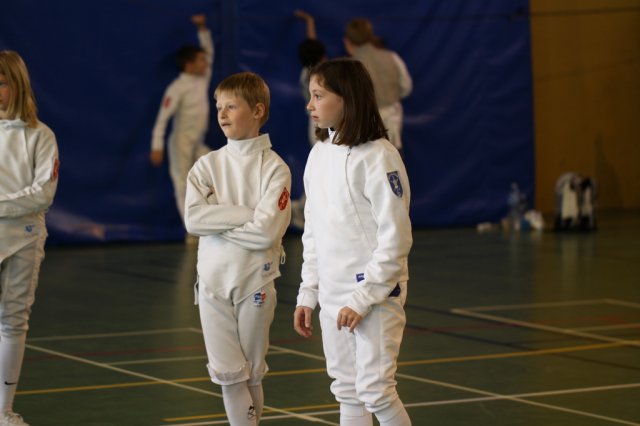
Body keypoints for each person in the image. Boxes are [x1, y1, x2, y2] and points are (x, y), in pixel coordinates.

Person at [294, 58, 412, 426]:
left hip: (375, 295)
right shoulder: (318, 154)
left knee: (376, 391)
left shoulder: (380, 156)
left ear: (346, 98)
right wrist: (308, 292)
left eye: (318, 96)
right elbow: (313, 231)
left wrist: (362, 298)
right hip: (332, 295)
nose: (310, 105)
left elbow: (396, 239)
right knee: (347, 390)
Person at [184, 72, 291, 426]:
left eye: (231, 106)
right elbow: (193, 220)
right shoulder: (206, 165)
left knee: (251, 374)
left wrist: (219, 222)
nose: (222, 113)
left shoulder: (275, 169)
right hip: (212, 284)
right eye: (218, 106)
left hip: (255, 282)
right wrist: (247, 214)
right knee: (228, 375)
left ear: (258, 111)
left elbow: (265, 234)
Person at [0, 50, 59, 426]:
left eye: (2, 83)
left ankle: (3, 410)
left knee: (12, 321)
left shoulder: (41, 136)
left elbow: (43, 194)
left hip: (23, 240)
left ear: (18, 85)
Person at [150, 14, 214, 225]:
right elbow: (162, 119)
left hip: (197, 142)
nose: (205, 63)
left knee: (213, 173)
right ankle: (191, 229)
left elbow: (209, 52)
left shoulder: (202, 79)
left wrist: (203, 30)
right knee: (182, 184)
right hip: (181, 142)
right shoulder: (176, 88)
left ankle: (209, 223)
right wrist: (157, 146)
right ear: (188, 64)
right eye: (201, 60)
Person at [343, 18, 412, 152]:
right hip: (392, 120)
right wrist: (391, 96)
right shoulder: (392, 57)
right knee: (392, 159)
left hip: (364, 127)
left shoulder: (349, 67)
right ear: (370, 36)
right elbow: (406, 87)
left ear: (347, 41)